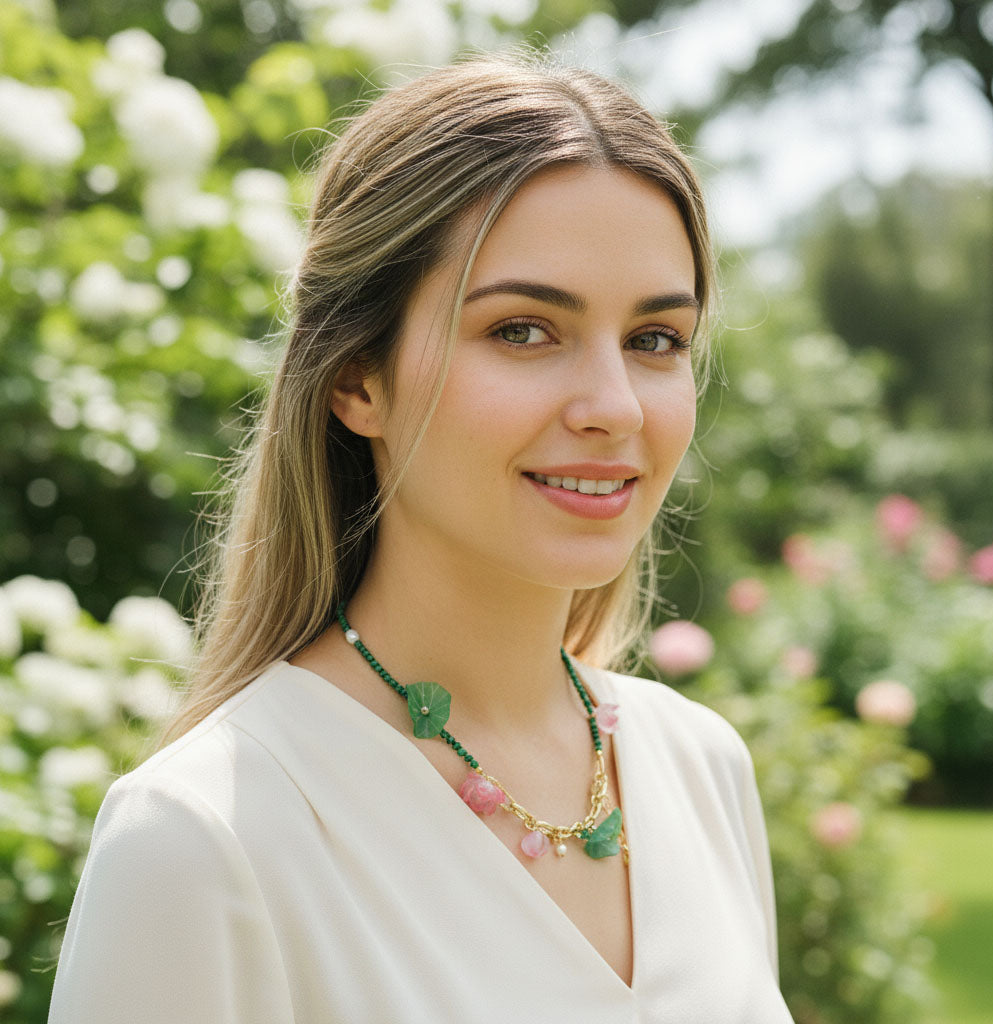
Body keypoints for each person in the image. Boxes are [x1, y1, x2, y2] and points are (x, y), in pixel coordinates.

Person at [48, 52, 794, 1024]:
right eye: (522, 330)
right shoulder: (204, 838)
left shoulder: (701, 767)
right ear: (356, 378)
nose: (614, 407)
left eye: (655, 340)